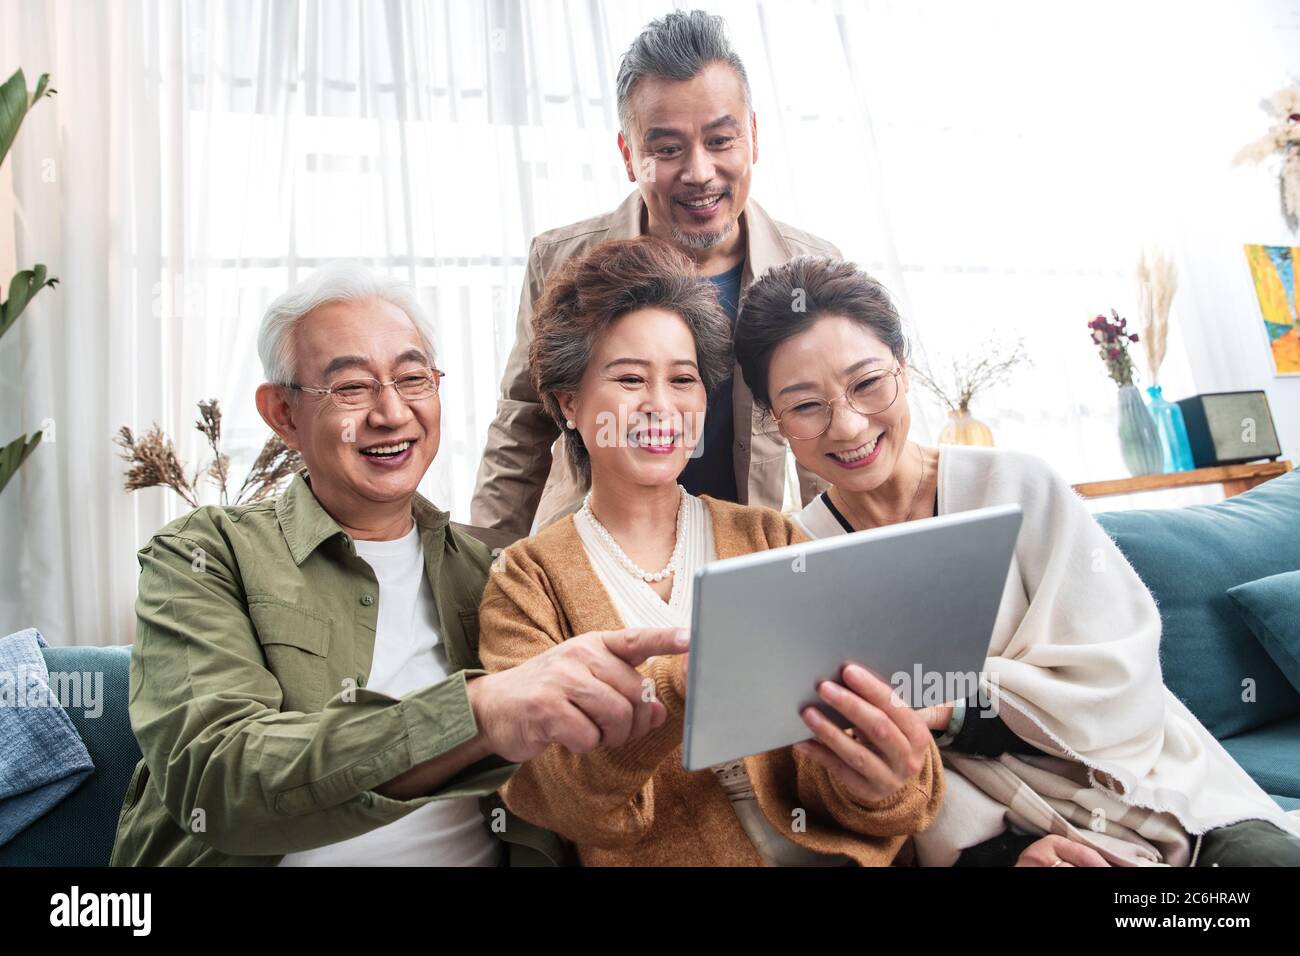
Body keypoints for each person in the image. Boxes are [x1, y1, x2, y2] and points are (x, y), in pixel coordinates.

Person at [111, 262, 687, 866]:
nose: (391, 413)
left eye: (413, 379)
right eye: (352, 388)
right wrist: (477, 712)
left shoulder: (501, 573)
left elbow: (581, 792)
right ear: (283, 414)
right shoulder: (203, 557)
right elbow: (216, 778)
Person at [732, 255, 1300, 867]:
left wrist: (948, 707)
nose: (846, 425)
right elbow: (845, 772)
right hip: (986, 834)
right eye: (805, 405)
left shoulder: (1017, 484)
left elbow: (1119, 680)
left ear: (905, 366)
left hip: (1166, 794)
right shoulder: (795, 556)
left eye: (868, 383)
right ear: (773, 419)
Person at [477, 237, 944, 866]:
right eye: (629, 379)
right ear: (568, 402)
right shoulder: (525, 583)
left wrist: (875, 781)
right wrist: (679, 687)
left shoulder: (774, 540)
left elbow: (911, 792)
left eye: (684, 380)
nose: (661, 406)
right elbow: (557, 797)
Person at [471, 9, 840, 537]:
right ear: (629, 155)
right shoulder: (560, 260)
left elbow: (826, 433)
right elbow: (521, 429)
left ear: (752, 137)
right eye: (667, 149)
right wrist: (484, 573)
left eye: (719, 141)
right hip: (595, 552)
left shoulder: (809, 270)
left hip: (745, 553)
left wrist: (836, 565)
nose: (698, 173)